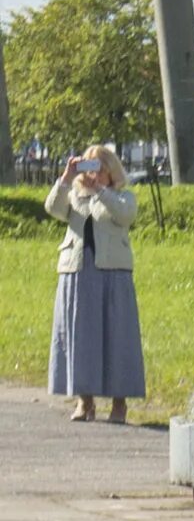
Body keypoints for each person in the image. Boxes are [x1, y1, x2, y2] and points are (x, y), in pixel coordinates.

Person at [46, 144, 144, 424]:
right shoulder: (75, 197)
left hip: (113, 274)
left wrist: (102, 190)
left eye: (99, 168)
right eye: (88, 168)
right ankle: (84, 401)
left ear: (110, 170)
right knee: (80, 338)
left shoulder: (122, 197)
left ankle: (119, 404)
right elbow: (53, 208)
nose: (93, 174)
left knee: (117, 337)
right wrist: (66, 179)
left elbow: (125, 216)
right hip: (77, 271)